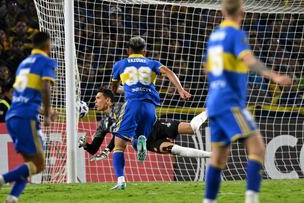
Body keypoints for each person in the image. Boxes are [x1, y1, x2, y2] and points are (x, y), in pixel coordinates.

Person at [203, 1, 292, 203]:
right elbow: (248, 59)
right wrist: (275, 77)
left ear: (222, 12)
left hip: (214, 101)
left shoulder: (214, 36)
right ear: (242, 12)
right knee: (257, 148)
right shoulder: (236, 34)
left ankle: (209, 201)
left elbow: (207, 70)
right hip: (230, 102)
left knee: (218, 157)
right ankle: (251, 199)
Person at [110, 36, 191, 190]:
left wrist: (124, 89)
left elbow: (114, 89)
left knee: (119, 146)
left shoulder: (119, 65)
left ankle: (121, 181)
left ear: (127, 50)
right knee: (141, 141)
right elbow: (168, 72)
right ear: (145, 51)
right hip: (150, 108)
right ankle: (140, 140)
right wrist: (180, 90)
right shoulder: (151, 63)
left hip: (132, 105)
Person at [0, 31, 58, 203]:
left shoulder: (23, 64)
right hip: (26, 117)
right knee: (40, 164)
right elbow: (45, 88)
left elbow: (24, 95)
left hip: (13, 115)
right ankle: (0, 180)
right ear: (47, 45)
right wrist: (48, 113)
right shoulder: (46, 61)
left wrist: (42, 111)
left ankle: (12, 198)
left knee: (29, 165)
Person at [81, 88, 210, 161]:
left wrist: (108, 149)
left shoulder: (124, 107)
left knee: (192, 127)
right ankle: (211, 155)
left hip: (155, 126)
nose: (95, 101)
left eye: (98, 98)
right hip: (148, 142)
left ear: (108, 100)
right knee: (175, 150)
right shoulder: (103, 124)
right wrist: (85, 144)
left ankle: (209, 110)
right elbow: (94, 149)